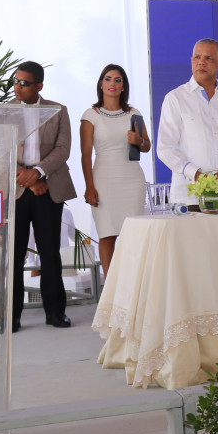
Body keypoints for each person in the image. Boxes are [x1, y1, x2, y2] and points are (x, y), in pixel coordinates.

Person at [11, 61, 77, 331]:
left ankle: (55, 313)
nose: (17, 87)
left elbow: (63, 149)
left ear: (39, 85)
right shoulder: (4, 111)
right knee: (14, 255)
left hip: (49, 187)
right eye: (15, 81)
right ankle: (12, 316)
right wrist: (28, 181)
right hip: (17, 188)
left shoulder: (58, 110)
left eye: (24, 83)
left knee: (49, 253)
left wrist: (38, 173)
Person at [156, 38, 218, 206]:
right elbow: (165, 148)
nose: (201, 62)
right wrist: (196, 174)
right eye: (197, 57)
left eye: (208, 58)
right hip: (190, 197)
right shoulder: (175, 98)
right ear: (191, 61)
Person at [80, 64, 148, 278]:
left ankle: (132, 283)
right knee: (107, 235)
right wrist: (89, 187)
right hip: (103, 180)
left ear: (123, 86)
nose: (112, 83)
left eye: (118, 80)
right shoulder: (91, 115)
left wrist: (138, 140)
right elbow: (85, 155)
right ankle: (111, 289)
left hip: (132, 179)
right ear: (101, 84)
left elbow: (146, 146)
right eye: (108, 79)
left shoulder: (134, 113)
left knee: (132, 234)